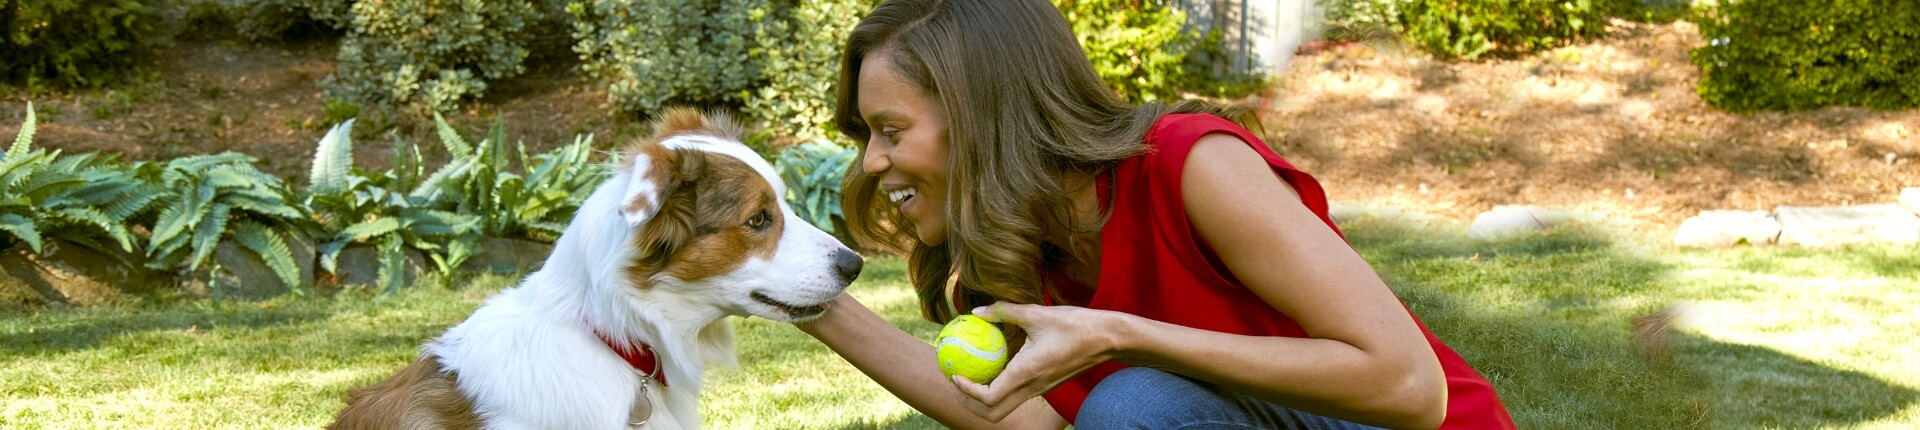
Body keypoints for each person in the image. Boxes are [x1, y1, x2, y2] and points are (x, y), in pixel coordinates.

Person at [795, 0, 1516, 428]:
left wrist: (1120, 336)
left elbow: (1410, 388)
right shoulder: (1017, 249)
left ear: (980, 116)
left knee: (1130, 403)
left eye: (890, 131)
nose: (872, 164)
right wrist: (798, 297)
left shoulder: (1190, 163)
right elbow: (1028, 420)